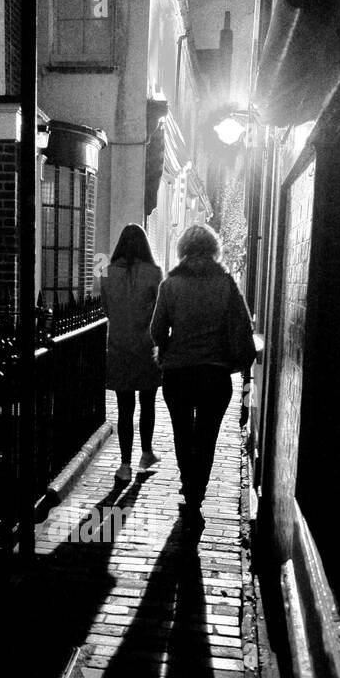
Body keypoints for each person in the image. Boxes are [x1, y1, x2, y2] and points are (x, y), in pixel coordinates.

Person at [150, 223, 255, 532]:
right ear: (214, 249)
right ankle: (198, 493)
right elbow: (243, 327)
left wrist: (171, 347)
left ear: (183, 249)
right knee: (207, 436)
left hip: (179, 374)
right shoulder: (226, 284)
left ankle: (188, 485)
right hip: (215, 374)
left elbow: (156, 331)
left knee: (183, 433)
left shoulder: (169, 286)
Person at [100, 223, 163, 482]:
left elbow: (105, 308)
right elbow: (160, 311)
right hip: (146, 347)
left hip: (118, 346)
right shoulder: (155, 272)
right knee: (147, 405)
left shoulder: (106, 272)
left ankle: (124, 466)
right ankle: (146, 453)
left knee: (124, 409)